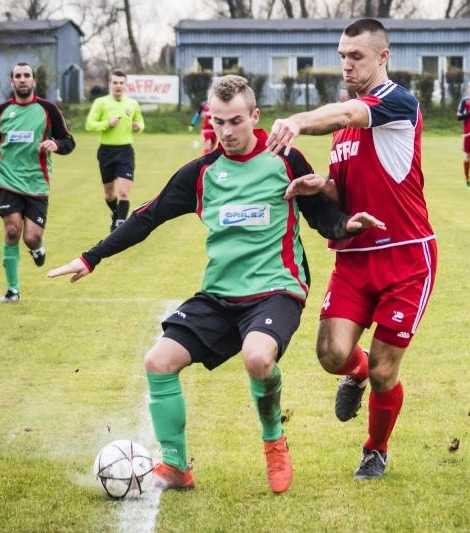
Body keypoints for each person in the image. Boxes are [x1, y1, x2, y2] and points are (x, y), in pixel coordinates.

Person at [48, 75, 384, 494]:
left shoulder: (286, 160)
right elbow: (147, 217)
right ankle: (175, 467)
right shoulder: (202, 172)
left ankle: (274, 442)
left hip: (276, 289)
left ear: (255, 117)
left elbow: (320, 216)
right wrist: (90, 257)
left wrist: (346, 225)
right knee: (158, 361)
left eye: (236, 121)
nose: (226, 131)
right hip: (220, 293)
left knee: (258, 358)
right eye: (218, 121)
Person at [267, 18, 437, 480]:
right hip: (355, 257)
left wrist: (298, 120)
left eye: (356, 56)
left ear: (383, 57)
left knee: (385, 369)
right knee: (331, 354)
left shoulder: (396, 102)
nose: (346, 64)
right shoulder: (347, 126)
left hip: (405, 258)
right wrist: (322, 185)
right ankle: (354, 375)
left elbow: (345, 114)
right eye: (342, 55)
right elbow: (348, 192)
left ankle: (375, 449)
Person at [0, 62, 76, 303]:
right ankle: (13, 289)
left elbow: (68, 140)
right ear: (12, 82)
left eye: (27, 76)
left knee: (31, 237)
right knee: (12, 230)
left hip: (37, 181)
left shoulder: (48, 109)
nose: (22, 80)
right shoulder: (0, 112)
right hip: (7, 180)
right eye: (18, 76)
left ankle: (37, 247)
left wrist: (57, 144)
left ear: (33, 81)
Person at [86, 68, 145, 232]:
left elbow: (140, 121)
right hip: (106, 152)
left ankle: (120, 225)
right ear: (109, 84)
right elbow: (89, 125)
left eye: (121, 83)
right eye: (115, 83)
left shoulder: (132, 104)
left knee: (124, 192)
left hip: (125, 151)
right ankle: (115, 213)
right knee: (110, 195)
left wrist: (138, 126)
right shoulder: (101, 103)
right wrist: (106, 124)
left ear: (126, 85)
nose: (118, 86)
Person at [189, 89, 217, 154]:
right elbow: (198, 114)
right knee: (208, 147)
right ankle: (205, 163)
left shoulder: (217, 105)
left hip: (215, 130)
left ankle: (210, 162)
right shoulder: (204, 105)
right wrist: (192, 124)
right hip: (206, 129)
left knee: (212, 149)